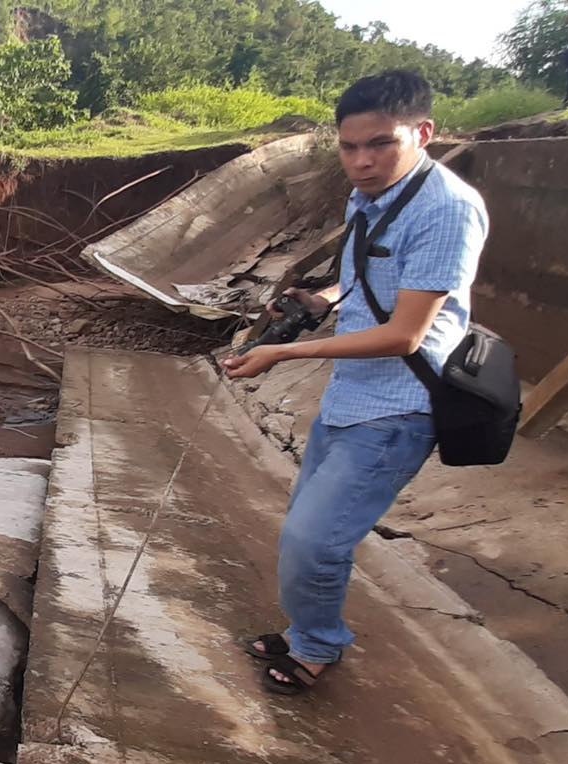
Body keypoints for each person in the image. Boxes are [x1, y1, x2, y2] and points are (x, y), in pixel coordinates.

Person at [219, 70, 488, 696]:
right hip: (349, 396)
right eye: (349, 147)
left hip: (400, 408)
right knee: (306, 531)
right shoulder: (370, 198)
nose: (362, 162)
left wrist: (285, 356)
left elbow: (406, 334)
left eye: (380, 145)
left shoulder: (446, 210)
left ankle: (317, 646)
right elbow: (365, 275)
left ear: (423, 133)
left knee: (315, 540)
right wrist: (325, 297)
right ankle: (309, 627)